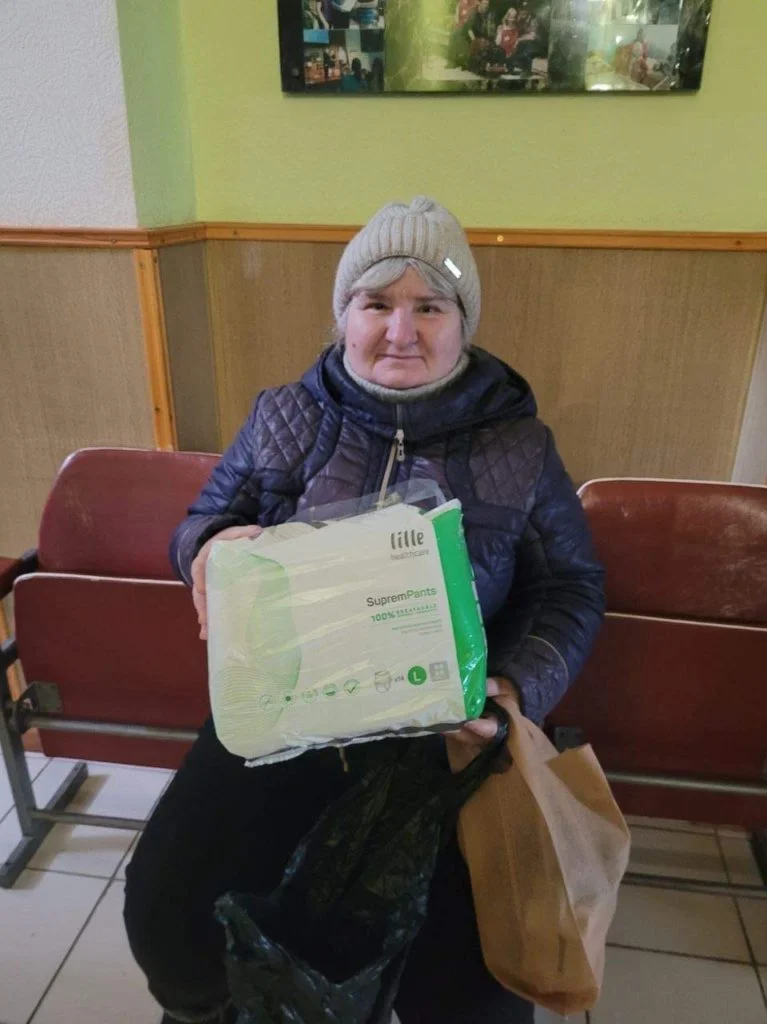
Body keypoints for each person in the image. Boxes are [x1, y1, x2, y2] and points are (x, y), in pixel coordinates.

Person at [123, 196, 605, 1024]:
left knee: (467, 992)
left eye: (429, 307)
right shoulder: (285, 414)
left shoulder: (521, 445)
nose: (400, 331)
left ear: (463, 322)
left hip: (443, 743)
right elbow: (201, 520)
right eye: (376, 303)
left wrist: (514, 689)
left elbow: (570, 587)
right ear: (346, 313)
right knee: (172, 923)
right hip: (284, 721)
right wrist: (203, 552)